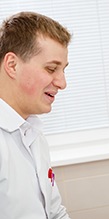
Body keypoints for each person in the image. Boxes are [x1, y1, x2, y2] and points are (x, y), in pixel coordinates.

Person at [0, 12, 72, 219]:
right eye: (51, 69)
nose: (62, 83)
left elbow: (54, 211)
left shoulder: (32, 133)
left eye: (63, 70)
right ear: (12, 65)